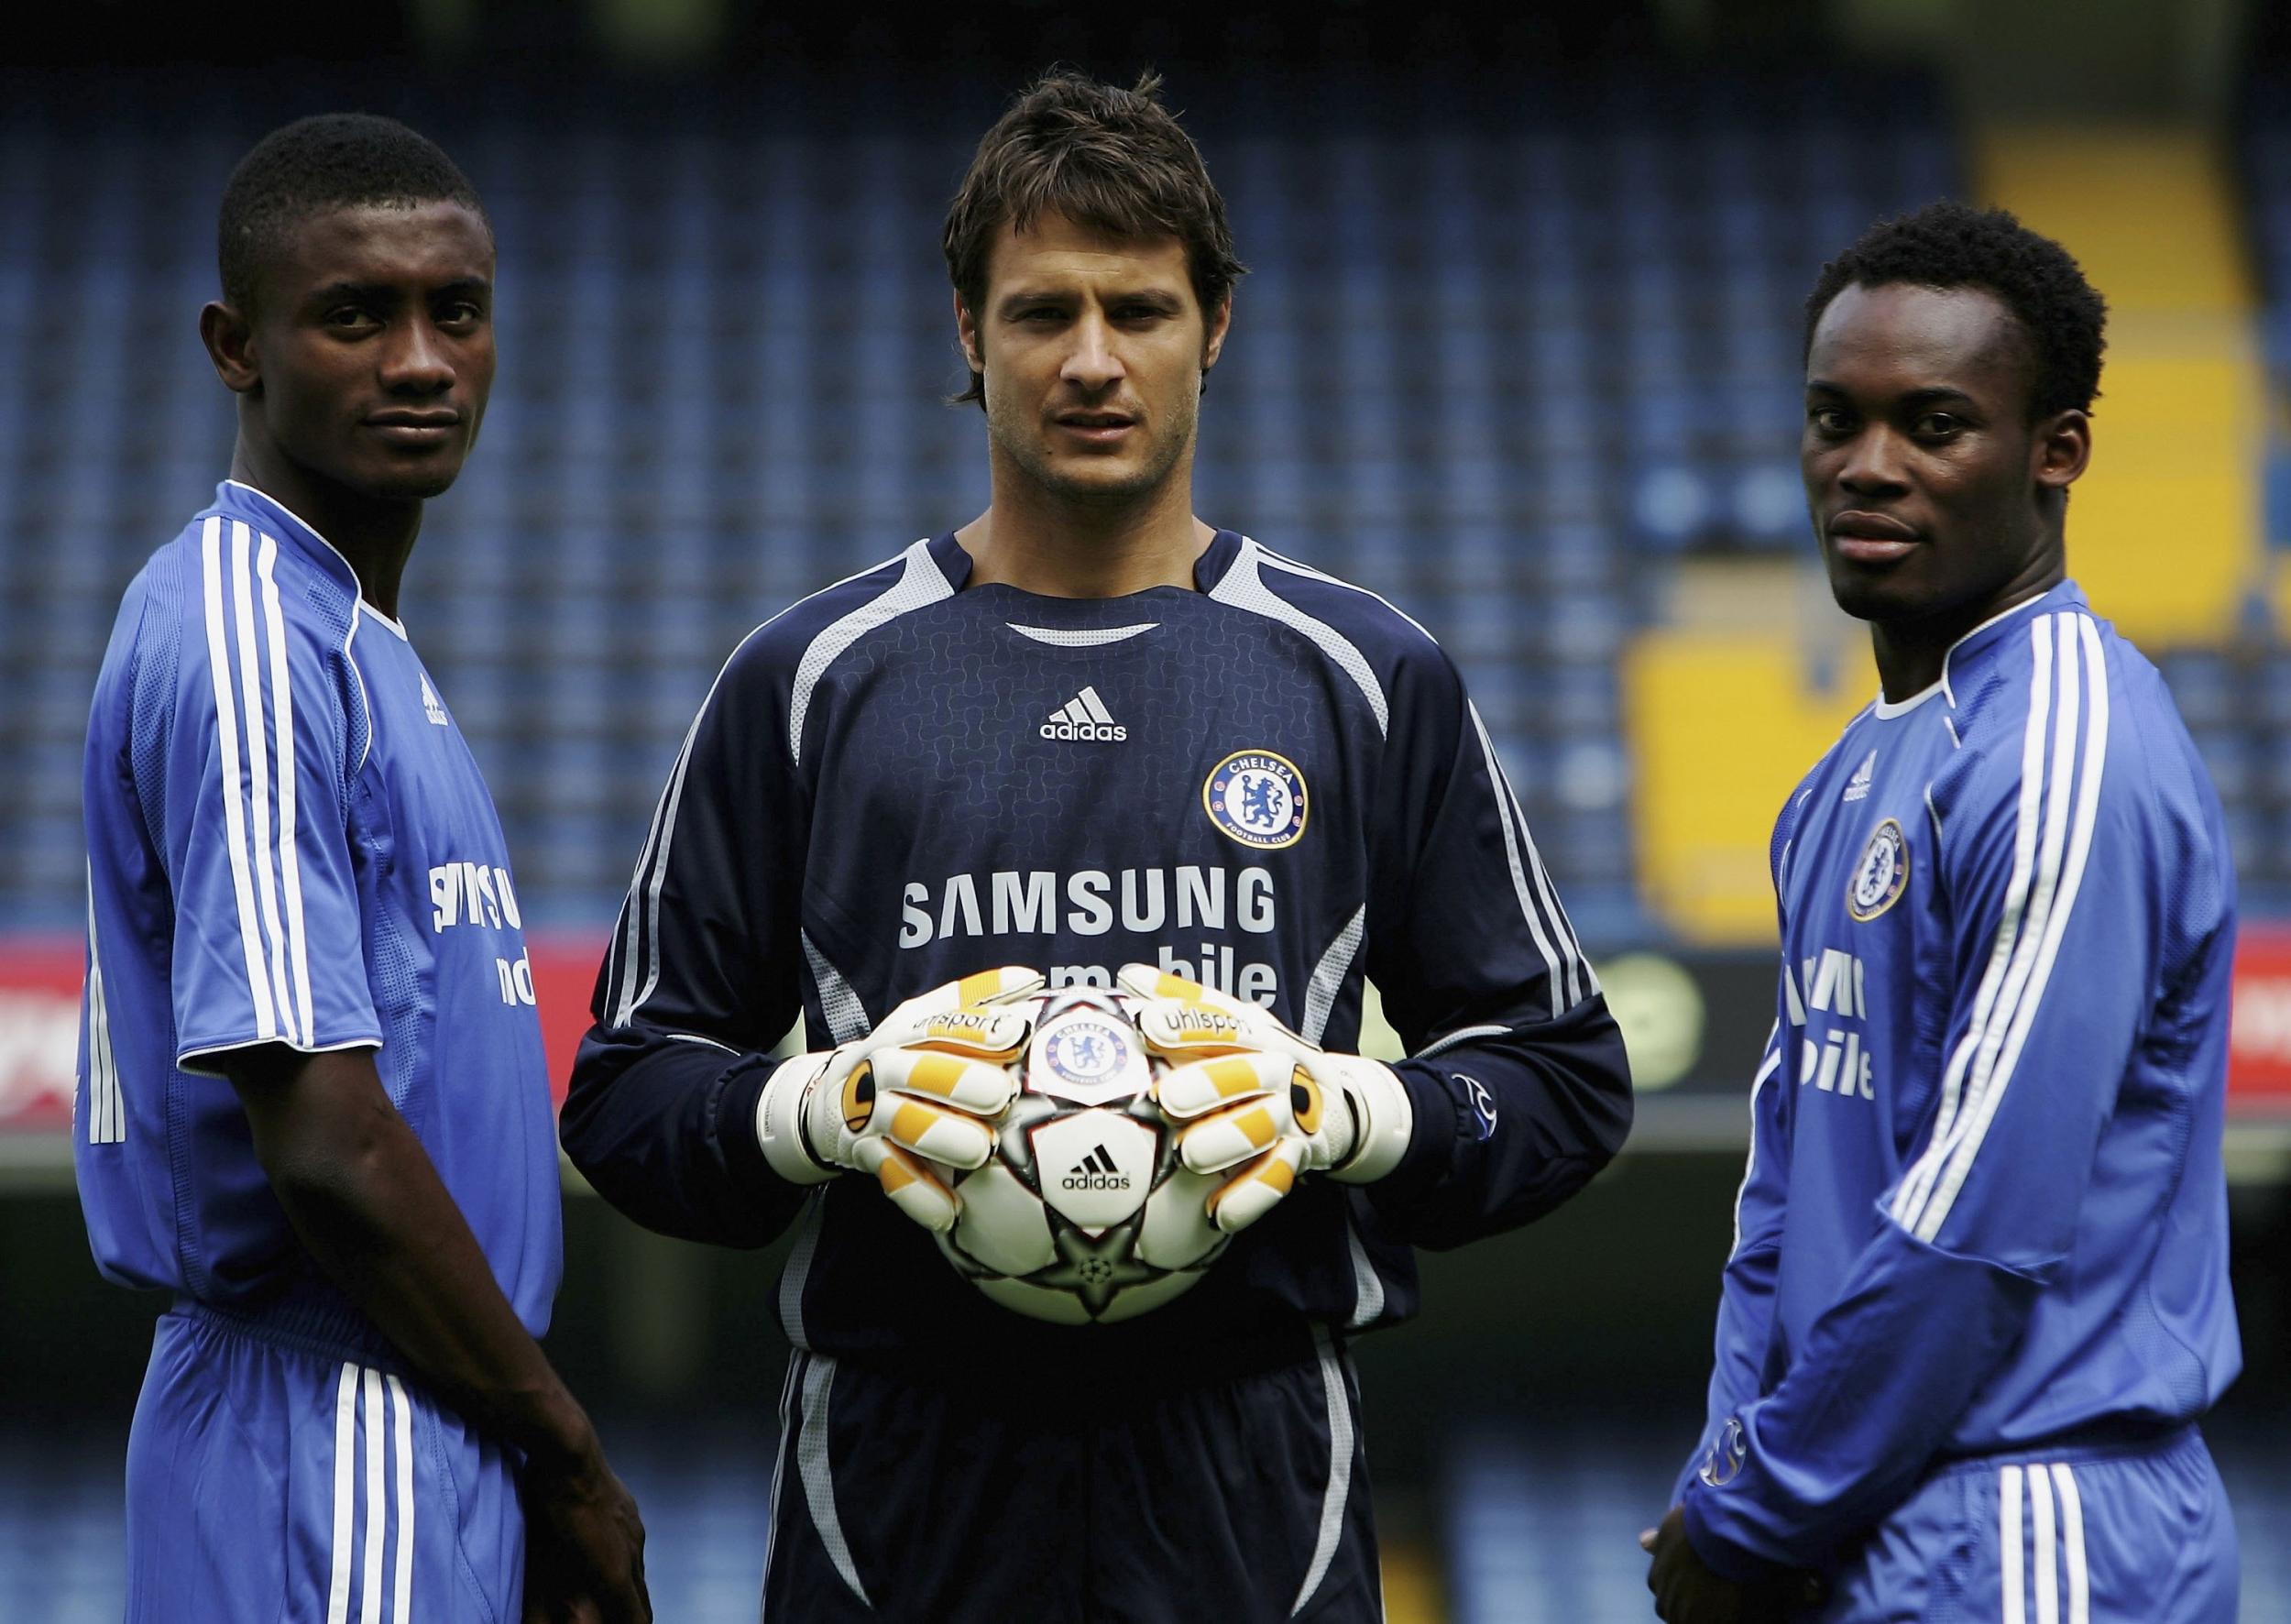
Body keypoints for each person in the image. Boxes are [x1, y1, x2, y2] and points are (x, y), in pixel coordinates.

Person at [561, 69, 1633, 1620]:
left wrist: (1349, 1110)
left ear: (1215, 329)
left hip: (1252, 1477)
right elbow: (630, 1094)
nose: (1089, 360)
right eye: (1039, 312)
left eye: (1137, 309)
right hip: (899, 1481)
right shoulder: (809, 679)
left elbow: (1563, 1077)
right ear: (964, 334)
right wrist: (827, 1104)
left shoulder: (1365, 675)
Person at [77, 114, 648, 1622]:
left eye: (454, 311)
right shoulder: (251, 638)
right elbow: (327, 1141)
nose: (419, 359)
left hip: (410, 1425)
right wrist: (571, 1465)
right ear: (235, 346)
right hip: (329, 1434)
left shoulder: (353, 642)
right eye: (354, 315)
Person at [1644, 202, 2241, 1623]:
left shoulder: (2064, 754)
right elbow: (1782, 1193)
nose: (1868, 467)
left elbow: (1979, 1224)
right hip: (1858, 1516)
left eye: (1933, 424)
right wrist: (1734, 1481)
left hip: (2029, 1519)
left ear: (2059, 452)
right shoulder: (1844, 779)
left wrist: (1757, 1511)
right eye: (1832, 419)